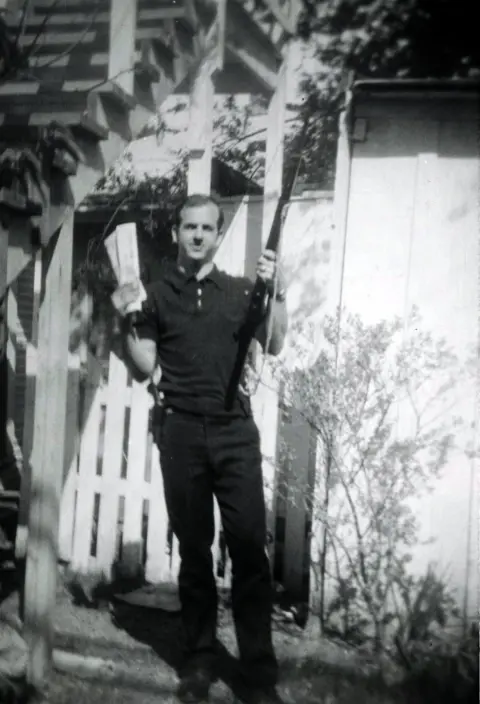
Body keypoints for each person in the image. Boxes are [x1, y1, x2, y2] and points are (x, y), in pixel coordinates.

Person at [113, 193, 288, 704]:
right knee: (193, 551)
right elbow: (145, 363)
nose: (196, 235)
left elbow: (275, 343)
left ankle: (257, 673)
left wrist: (278, 292)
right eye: (188, 226)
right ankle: (199, 660)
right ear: (177, 232)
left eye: (206, 228)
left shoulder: (239, 291)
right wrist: (128, 318)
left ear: (216, 234)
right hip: (181, 432)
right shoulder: (157, 294)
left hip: (235, 434)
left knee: (250, 552)